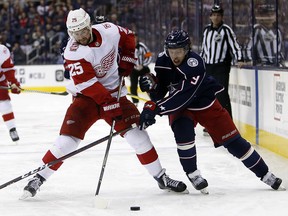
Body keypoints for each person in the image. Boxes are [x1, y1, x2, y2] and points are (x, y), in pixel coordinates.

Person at [21, 8, 186, 199]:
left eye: (83, 30)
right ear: (69, 33)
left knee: (139, 137)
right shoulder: (72, 52)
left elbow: (128, 37)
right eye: (75, 33)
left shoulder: (109, 29)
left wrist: (127, 59)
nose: (80, 36)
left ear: (89, 25)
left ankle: (161, 177)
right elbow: (89, 85)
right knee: (67, 141)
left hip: (115, 95)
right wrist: (110, 104)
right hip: (86, 99)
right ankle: (39, 177)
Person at [139, 29, 284, 194]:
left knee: (234, 142)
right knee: (183, 133)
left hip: (203, 103)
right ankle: (193, 174)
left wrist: (155, 108)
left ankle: (265, 174)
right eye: (171, 51)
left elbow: (184, 96)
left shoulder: (195, 63)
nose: (175, 56)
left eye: (178, 51)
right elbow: (161, 91)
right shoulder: (162, 61)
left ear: (187, 49)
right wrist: (152, 87)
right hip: (180, 108)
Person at [200, 5, 244, 136]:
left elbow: (235, 46)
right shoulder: (206, 30)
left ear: (222, 16)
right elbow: (204, 49)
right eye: (213, 14)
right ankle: (211, 125)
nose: (215, 17)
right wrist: (200, 64)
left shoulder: (226, 30)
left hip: (221, 67)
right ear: (210, 16)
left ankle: (228, 125)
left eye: (218, 15)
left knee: (222, 95)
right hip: (208, 66)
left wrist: (240, 58)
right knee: (209, 96)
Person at [0, 44, 22, 142]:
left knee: (5, 105)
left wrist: (13, 82)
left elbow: (8, 68)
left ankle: (12, 128)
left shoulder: (2, 50)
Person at [130, 33, 152, 106]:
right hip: (134, 69)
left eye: (135, 38)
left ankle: (153, 98)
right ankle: (135, 101)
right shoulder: (129, 47)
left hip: (143, 68)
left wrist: (143, 65)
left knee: (148, 83)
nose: (134, 39)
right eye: (133, 38)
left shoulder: (142, 46)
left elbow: (149, 56)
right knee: (133, 85)